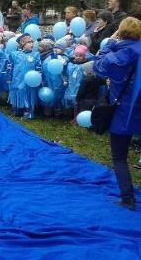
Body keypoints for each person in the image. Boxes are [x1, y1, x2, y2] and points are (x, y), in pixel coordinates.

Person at [93, 17, 141, 211]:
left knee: (119, 157)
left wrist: (109, 44)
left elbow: (99, 66)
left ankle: (127, 198)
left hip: (125, 111)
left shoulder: (122, 52)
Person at [7, 34, 42, 118]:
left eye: (32, 42)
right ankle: (18, 108)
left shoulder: (35, 55)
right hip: (17, 78)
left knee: (29, 93)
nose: (32, 44)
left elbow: (39, 67)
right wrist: (9, 77)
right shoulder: (14, 54)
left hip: (30, 81)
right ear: (23, 44)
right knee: (18, 91)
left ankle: (28, 110)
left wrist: (39, 77)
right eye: (29, 42)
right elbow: (9, 66)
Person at [41, 42, 68, 118]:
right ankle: (47, 112)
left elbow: (64, 64)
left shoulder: (64, 58)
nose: (56, 49)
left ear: (63, 50)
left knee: (58, 96)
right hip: (49, 79)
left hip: (59, 80)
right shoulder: (49, 58)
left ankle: (58, 113)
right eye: (55, 47)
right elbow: (45, 66)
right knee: (48, 95)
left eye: (58, 48)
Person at [63, 45, 89, 122]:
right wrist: (65, 80)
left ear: (84, 56)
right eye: (76, 55)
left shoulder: (85, 65)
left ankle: (76, 118)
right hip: (70, 86)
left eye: (80, 56)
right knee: (69, 101)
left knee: (77, 102)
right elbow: (66, 74)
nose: (78, 57)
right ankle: (69, 115)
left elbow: (86, 76)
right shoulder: (70, 64)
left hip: (79, 86)